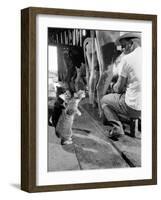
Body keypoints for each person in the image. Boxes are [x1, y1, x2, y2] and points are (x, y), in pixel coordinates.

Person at [100, 33, 142, 139]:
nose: (122, 49)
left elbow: (118, 89)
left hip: (134, 107)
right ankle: (136, 129)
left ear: (131, 43)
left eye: (123, 46)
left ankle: (117, 128)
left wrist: (113, 85)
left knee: (104, 100)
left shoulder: (127, 59)